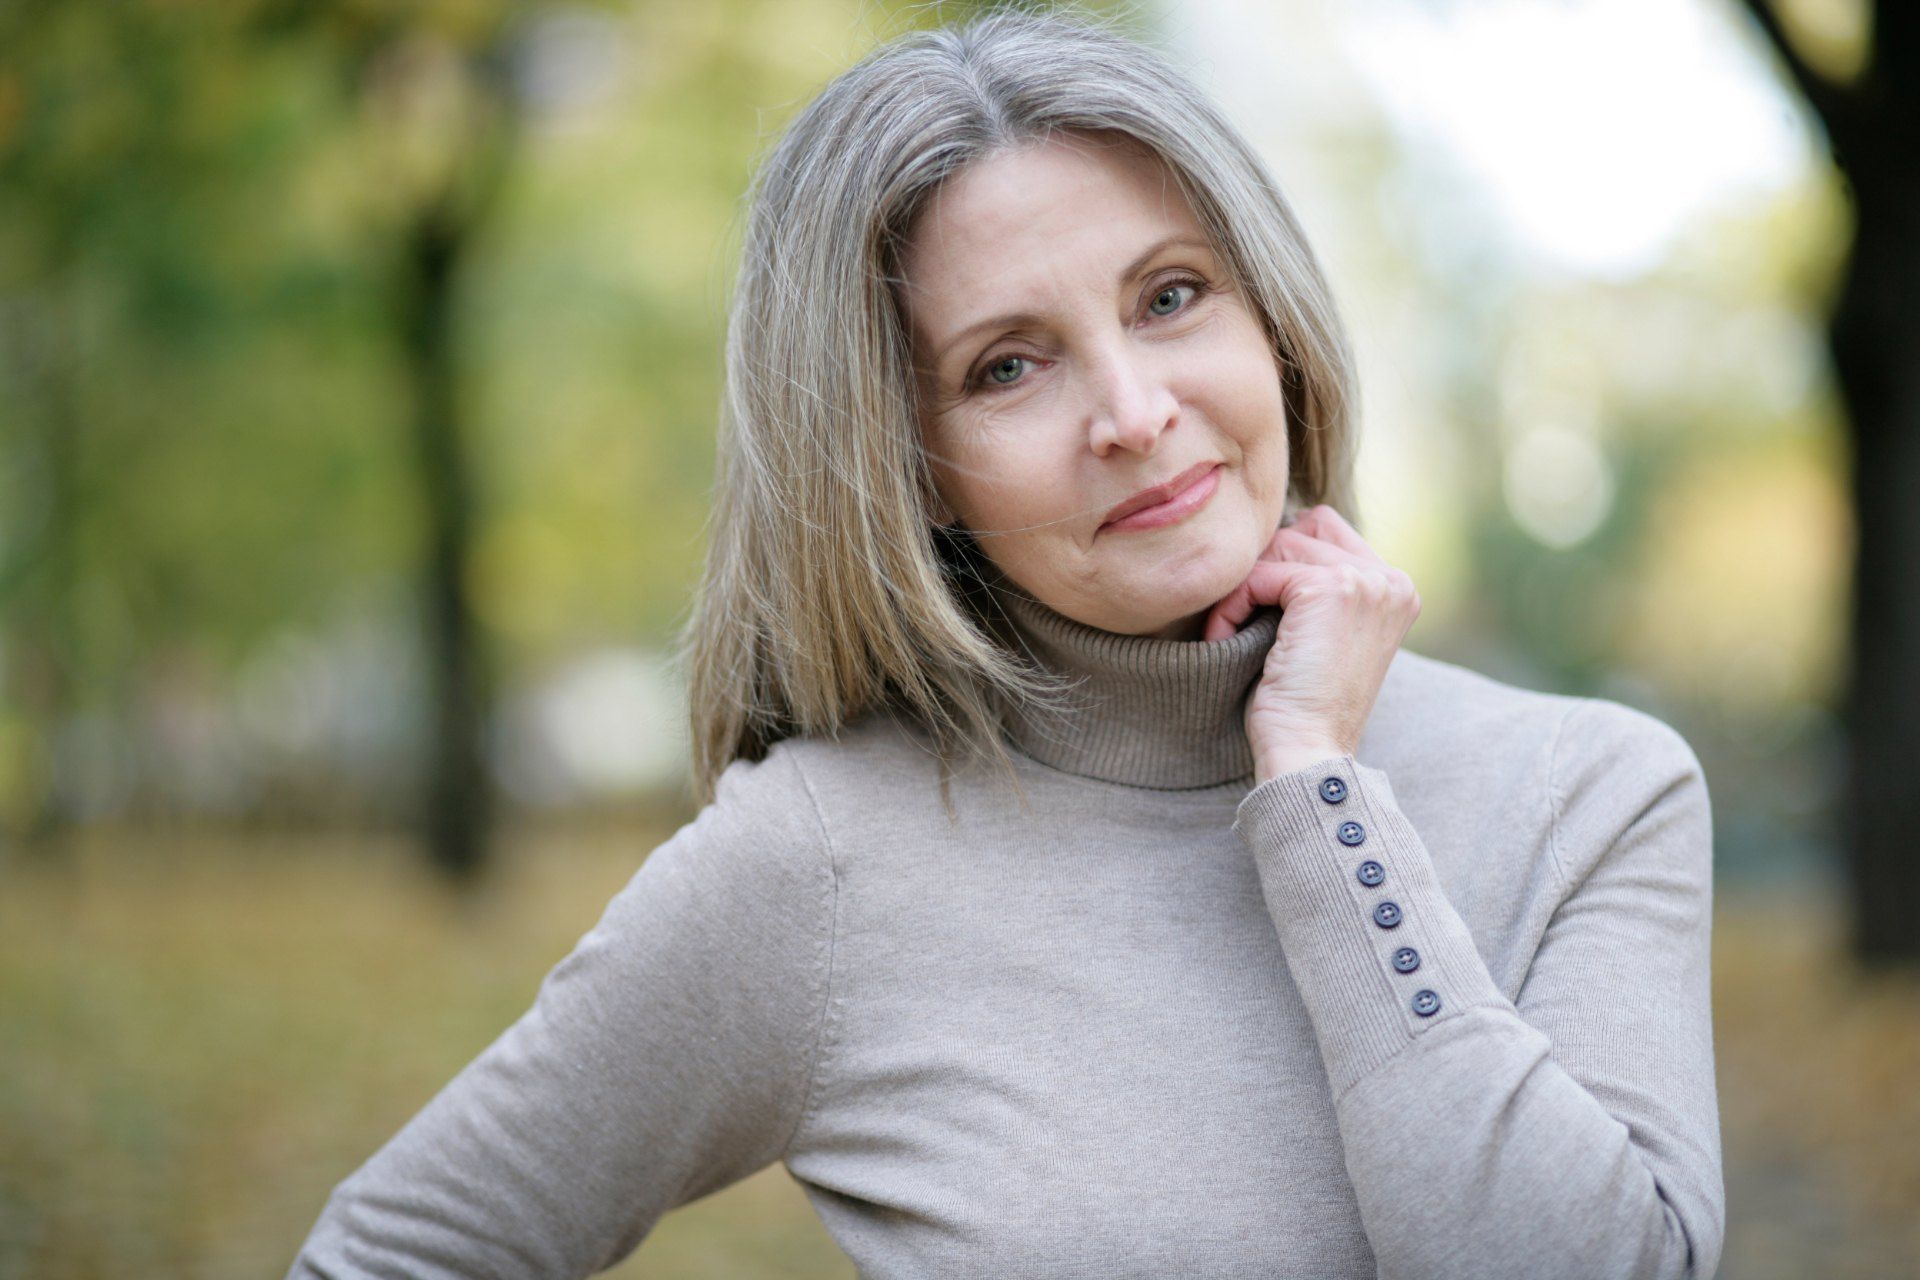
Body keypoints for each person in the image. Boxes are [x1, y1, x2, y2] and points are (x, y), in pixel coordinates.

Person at [286, 7, 1724, 1278]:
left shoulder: (1587, 791)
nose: (1133, 409)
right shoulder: (821, 862)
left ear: (1273, 320)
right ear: (907, 469)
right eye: (1007, 367)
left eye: (1172, 296)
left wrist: (1316, 790)